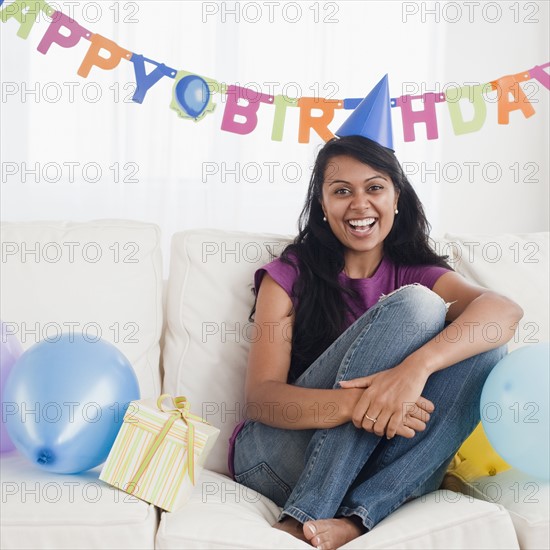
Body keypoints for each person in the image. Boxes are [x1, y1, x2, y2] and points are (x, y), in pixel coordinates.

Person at [229, 82, 523, 550]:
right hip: (275, 459)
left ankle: (358, 519)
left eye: (375, 188)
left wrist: (412, 372)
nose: (360, 205)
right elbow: (262, 400)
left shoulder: (418, 269)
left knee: (486, 346)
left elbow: (504, 313)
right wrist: (361, 404)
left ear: (397, 197)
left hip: (368, 469)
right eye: (341, 191)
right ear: (322, 205)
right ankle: (304, 516)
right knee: (419, 305)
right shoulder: (289, 274)